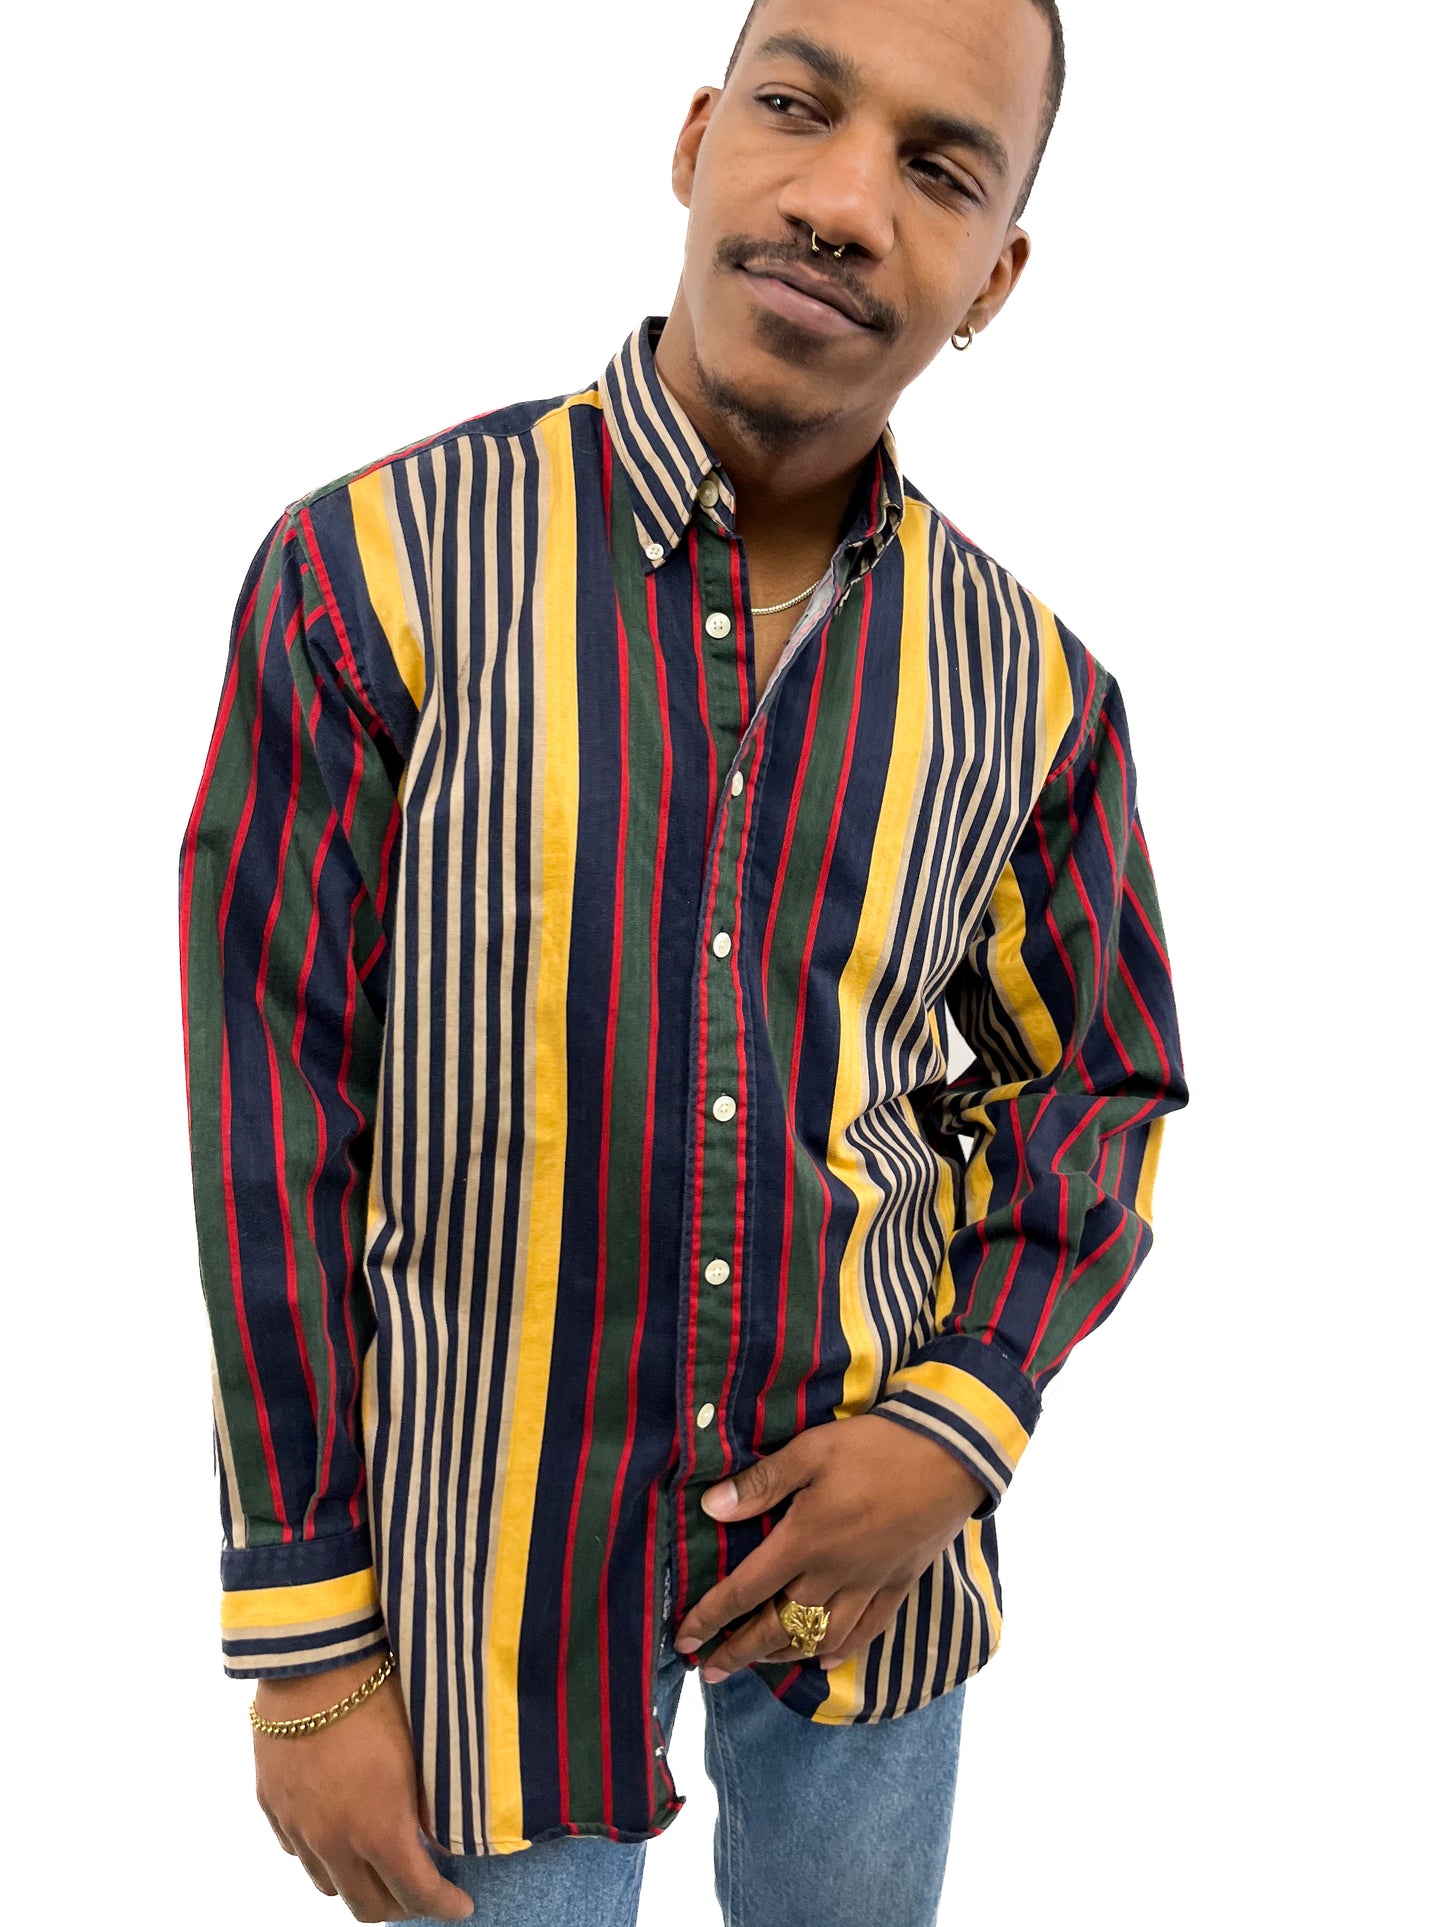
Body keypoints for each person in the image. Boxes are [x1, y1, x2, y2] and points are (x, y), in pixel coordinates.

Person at [177, 0, 1189, 1920]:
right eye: (798, 107)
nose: (843, 201)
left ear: (995, 277)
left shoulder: (1035, 693)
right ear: (696, 139)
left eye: (939, 169)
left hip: (871, 1587)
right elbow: (269, 1124)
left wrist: (956, 1426)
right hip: (483, 1604)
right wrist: (304, 1641)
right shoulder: (371, 575)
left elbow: (1096, 1081)